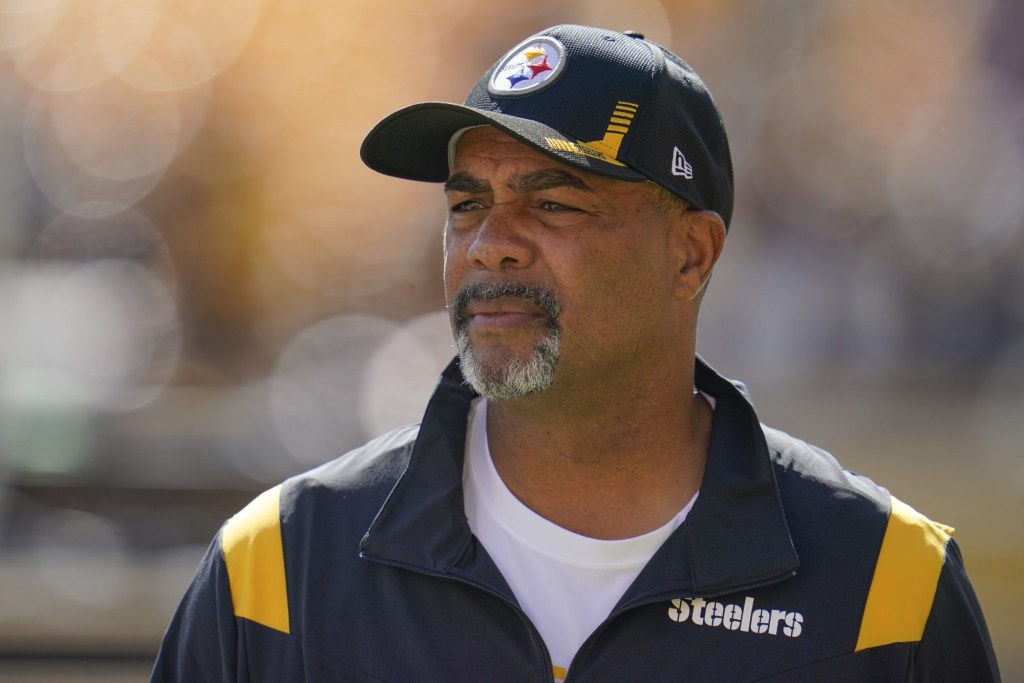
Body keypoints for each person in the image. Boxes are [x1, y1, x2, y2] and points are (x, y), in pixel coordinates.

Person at [150, 24, 1000, 682]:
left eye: (552, 203)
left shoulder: (887, 586)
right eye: (467, 203)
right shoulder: (278, 571)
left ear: (691, 255)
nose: (491, 245)